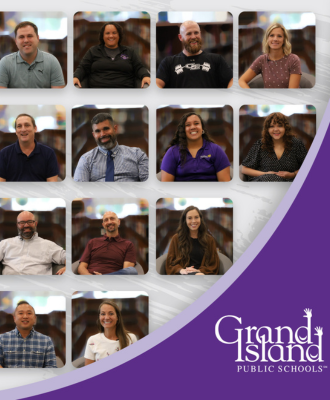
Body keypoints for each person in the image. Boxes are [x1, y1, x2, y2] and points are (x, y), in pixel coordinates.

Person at [156, 20, 233, 89]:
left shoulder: (216, 60)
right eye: (188, 34)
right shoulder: (168, 62)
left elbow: (232, 81)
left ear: (200, 34)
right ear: (180, 37)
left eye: (196, 33)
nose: (193, 37)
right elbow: (157, 84)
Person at [73, 113, 148, 182]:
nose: (102, 134)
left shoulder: (137, 154)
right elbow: (80, 191)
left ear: (115, 129)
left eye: (106, 129)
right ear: (94, 135)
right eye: (98, 131)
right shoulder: (86, 160)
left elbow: (148, 185)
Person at [73, 22, 150, 88]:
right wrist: (76, 77)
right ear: (102, 36)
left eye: (114, 33)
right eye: (107, 33)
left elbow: (139, 67)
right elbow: (82, 67)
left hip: (125, 91)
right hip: (97, 91)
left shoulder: (129, 51)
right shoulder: (93, 51)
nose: (111, 36)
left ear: (119, 35)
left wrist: (145, 76)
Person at [160, 112, 231, 182]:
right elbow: (166, 187)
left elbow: (225, 184)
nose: (193, 127)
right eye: (188, 125)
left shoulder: (216, 150)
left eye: (196, 123)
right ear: (183, 130)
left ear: (202, 128)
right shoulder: (172, 152)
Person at [241, 112, 308, 182]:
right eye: (271, 126)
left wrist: (292, 174)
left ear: (286, 127)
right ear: (267, 129)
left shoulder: (296, 144)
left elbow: (308, 166)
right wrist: (265, 174)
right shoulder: (260, 144)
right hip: (264, 183)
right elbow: (244, 169)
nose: (276, 129)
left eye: (279, 126)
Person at [0, 21, 65, 89]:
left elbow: (58, 97)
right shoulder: (5, 63)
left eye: (30, 36)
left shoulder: (52, 62)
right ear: (16, 41)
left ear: (37, 38)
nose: (26, 40)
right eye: (21, 37)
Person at [0, 211, 66, 275]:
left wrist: (67, 268)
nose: (26, 225)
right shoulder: (5, 244)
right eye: (22, 222)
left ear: (35, 224)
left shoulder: (48, 245)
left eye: (29, 221)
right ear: (17, 225)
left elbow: (65, 257)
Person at [239, 23, 301, 89]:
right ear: (267, 39)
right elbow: (241, 81)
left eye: (279, 36)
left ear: (284, 40)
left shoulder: (293, 59)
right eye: (272, 35)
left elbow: (292, 92)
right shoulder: (262, 60)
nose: (275, 39)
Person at [0, 113, 59, 182]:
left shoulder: (48, 153)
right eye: (19, 126)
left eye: (27, 125)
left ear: (35, 128)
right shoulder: (4, 154)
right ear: (16, 131)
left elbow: (52, 185)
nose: (23, 129)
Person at [78, 211, 138, 275]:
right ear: (103, 225)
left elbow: (127, 272)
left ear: (118, 222)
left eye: (112, 218)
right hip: (92, 279)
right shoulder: (93, 242)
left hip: (113, 282)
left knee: (132, 270)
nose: (109, 222)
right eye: (106, 220)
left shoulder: (128, 245)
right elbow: (81, 267)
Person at [0, 301, 57, 368]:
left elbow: (52, 367)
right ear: (14, 318)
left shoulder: (46, 341)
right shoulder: (2, 339)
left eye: (29, 313)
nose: (25, 316)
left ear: (35, 319)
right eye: (21, 313)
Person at [166, 206, 220, 275]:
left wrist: (200, 271)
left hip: (201, 275)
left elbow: (214, 264)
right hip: (182, 276)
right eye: (189, 218)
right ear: (185, 220)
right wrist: (181, 270)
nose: (193, 221)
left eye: (196, 217)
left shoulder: (209, 240)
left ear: (200, 219)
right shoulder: (176, 239)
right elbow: (170, 263)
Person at [84, 300, 137, 365]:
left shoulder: (131, 338)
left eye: (111, 313)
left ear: (117, 317)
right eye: (103, 314)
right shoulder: (92, 340)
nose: (106, 317)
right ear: (99, 317)